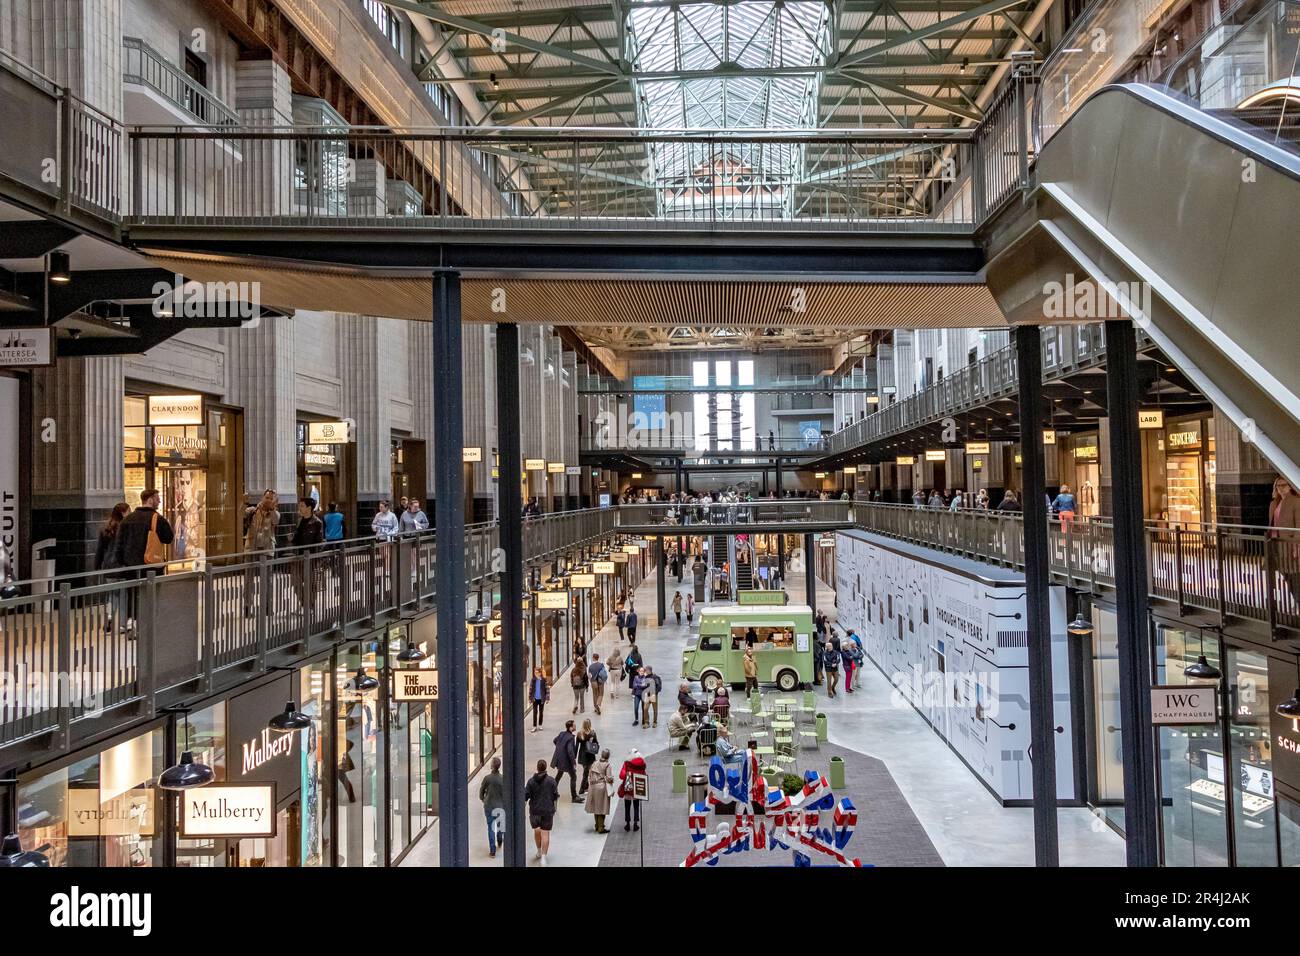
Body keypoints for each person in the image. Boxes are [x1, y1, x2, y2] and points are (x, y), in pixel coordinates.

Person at [115, 488, 176, 628]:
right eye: (157, 498)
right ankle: (150, 623)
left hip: (131, 566)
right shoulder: (157, 519)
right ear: (150, 500)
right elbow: (169, 538)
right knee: (151, 594)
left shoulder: (127, 519)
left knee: (133, 593)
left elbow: (119, 545)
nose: (159, 500)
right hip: (152, 566)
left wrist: (123, 562)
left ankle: (132, 621)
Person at [243, 490, 278, 616]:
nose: (268, 500)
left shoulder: (275, 513)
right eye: (267, 497)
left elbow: (276, 521)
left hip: (267, 549)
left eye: (271, 498)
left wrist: (273, 509)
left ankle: (267, 607)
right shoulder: (252, 511)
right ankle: (247, 607)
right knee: (248, 580)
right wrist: (244, 503)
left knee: (267, 580)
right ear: (263, 497)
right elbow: (241, 515)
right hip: (251, 548)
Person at [95, 503, 129, 629]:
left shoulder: (106, 528)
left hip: (108, 565)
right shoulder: (125, 527)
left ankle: (109, 617)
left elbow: (100, 550)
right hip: (121, 565)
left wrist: (97, 566)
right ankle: (122, 624)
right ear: (123, 512)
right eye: (128, 511)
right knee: (123, 595)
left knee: (112, 594)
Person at [1269, 476, 1300, 602]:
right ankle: (1297, 600)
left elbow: (1299, 525)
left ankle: (1299, 602)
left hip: (1290, 544)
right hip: (1276, 543)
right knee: (1285, 572)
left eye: (1284, 485)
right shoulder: (1274, 503)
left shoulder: (1296, 501)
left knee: (1294, 574)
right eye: (1278, 486)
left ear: (1290, 486)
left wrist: (1296, 545)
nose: (1281, 489)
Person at [524, 758, 559, 865]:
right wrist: (555, 808)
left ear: (537, 768)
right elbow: (555, 796)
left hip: (535, 811)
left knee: (537, 831)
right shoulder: (552, 781)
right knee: (545, 834)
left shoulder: (531, 782)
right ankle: (544, 857)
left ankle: (539, 850)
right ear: (545, 768)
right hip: (547, 811)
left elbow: (525, 796)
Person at [291, 498, 324, 606]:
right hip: (298, 557)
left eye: (302, 506)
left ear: (309, 508)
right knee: (296, 582)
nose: (300, 508)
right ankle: (304, 602)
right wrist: (292, 538)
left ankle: (310, 605)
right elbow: (297, 538)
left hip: (310, 558)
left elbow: (319, 542)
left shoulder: (317, 523)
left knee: (310, 583)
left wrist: (316, 558)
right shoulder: (299, 521)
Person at [478, 756, 505, 858]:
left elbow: (481, 791)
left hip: (489, 806)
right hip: (500, 806)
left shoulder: (487, 778)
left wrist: (483, 799)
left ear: (492, 766)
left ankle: (492, 850)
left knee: (490, 827)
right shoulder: (503, 779)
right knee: (499, 825)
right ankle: (499, 839)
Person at [585, 748, 614, 833]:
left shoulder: (594, 763)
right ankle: (601, 827)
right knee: (602, 808)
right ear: (608, 756)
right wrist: (612, 779)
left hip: (593, 787)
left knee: (596, 807)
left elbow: (590, 774)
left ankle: (597, 825)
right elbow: (609, 778)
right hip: (602, 787)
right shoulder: (607, 765)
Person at [618, 749, 647, 832]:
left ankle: (627, 824)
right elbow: (644, 774)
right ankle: (635, 823)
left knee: (627, 807)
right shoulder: (642, 764)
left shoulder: (627, 763)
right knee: (636, 806)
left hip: (628, 788)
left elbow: (621, 776)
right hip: (637, 788)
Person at [552, 719, 580, 803]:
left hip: (560, 760)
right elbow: (570, 751)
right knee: (573, 777)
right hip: (566, 762)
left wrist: (560, 749)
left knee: (559, 775)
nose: (575, 726)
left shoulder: (561, 734)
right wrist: (573, 763)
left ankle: (553, 792)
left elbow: (555, 740)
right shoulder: (570, 738)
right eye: (574, 725)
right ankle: (574, 796)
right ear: (570, 728)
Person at [576, 718, 599, 795]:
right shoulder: (592, 733)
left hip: (582, 755)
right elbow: (596, 744)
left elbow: (576, 747)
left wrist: (574, 757)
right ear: (589, 724)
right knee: (586, 773)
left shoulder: (579, 734)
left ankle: (586, 787)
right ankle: (581, 789)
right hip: (590, 755)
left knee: (585, 771)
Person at [529, 667, 550, 732]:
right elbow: (530, 689)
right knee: (535, 713)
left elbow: (547, 689)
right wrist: (530, 698)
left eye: (537, 672)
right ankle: (534, 726)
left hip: (541, 699)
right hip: (535, 699)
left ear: (540, 673)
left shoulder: (544, 680)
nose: (535, 674)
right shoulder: (533, 680)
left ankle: (540, 724)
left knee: (541, 712)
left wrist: (547, 698)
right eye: (535, 673)